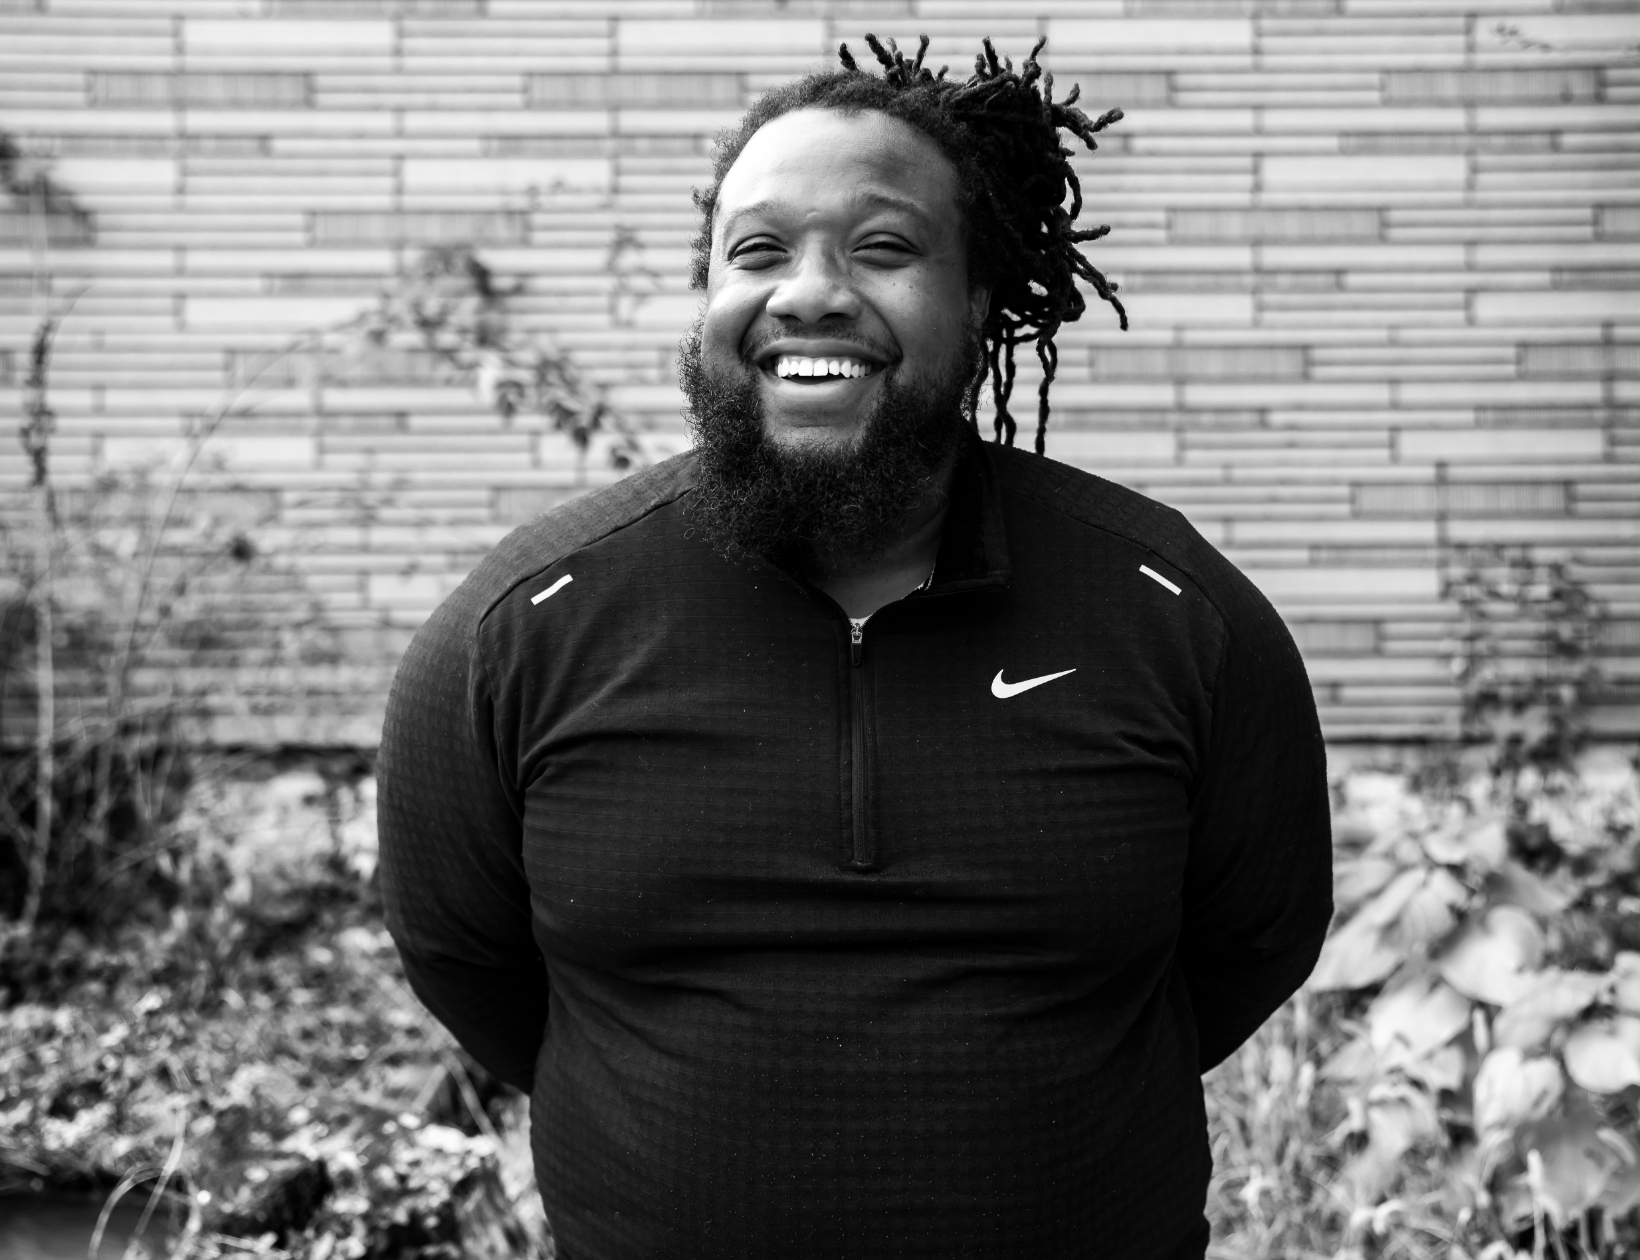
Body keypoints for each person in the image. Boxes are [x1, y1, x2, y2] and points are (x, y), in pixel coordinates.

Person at [378, 35, 1332, 1260]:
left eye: (880, 247)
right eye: (756, 252)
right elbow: (466, 962)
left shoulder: (1170, 611)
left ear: (977, 300)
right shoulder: (523, 626)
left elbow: (1253, 942)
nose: (809, 293)